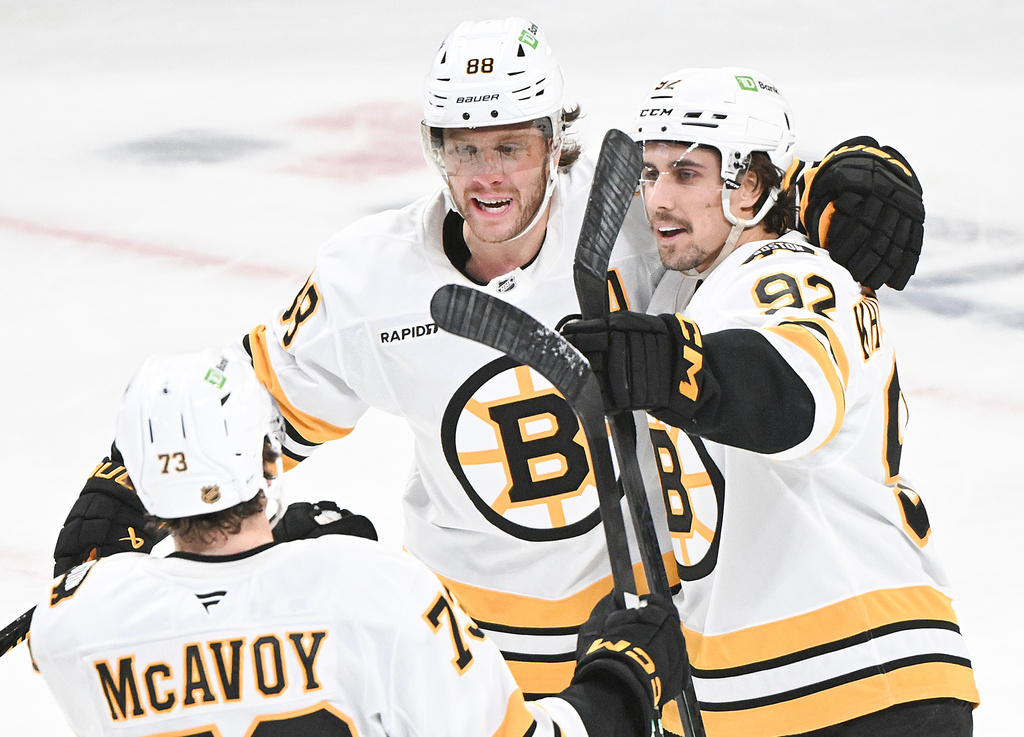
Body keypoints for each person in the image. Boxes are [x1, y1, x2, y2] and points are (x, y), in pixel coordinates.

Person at [51, 17, 928, 702]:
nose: (486, 175)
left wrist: (830, 182)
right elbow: (257, 405)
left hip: (640, 644)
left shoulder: (630, 216)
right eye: (464, 149)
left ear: (558, 139)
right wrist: (126, 481)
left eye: (511, 146)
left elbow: (734, 202)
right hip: (469, 651)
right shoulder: (370, 275)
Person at [562, 67, 979, 737]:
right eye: (651, 172)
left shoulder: (789, 271)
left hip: (861, 683)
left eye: (688, 174)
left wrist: (676, 366)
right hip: (767, 697)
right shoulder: (696, 292)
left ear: (750, 184)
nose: (659, 199)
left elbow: (790, 396)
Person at [30, 350, 687, 737]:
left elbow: (115, 584)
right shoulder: (377, 591)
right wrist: (623, 680)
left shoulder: (73, 622)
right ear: (268, 456)